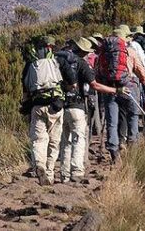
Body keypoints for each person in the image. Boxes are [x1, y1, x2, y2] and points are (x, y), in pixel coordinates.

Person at [21, 36, 74, 185]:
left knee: (39, 139)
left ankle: (39, 164)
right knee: (54, 142)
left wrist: (25, 105)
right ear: (52, 46)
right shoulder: (60, 61)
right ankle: (49, 174)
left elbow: (25, 90)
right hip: (55, 106)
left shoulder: (30, 64)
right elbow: (73, 83)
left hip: (37, 106)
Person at [96, 26, 145, 163]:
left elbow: (97, 72)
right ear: (125, 38)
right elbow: (141, 72)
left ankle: (114, 152)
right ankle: (133, 146)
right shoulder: (129, 51)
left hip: (109, 89)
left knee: (112, 122)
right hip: (128, 89)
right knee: (132, 116)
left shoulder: (103, 52)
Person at [57, 37, 95, 183]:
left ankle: (64, 174)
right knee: (78, 139)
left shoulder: (59, 60)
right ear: (83, 51)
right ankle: (76, 171)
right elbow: (93, 84)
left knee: (65, 141)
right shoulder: (81, 63)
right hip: (77, 106)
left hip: (61, 105)